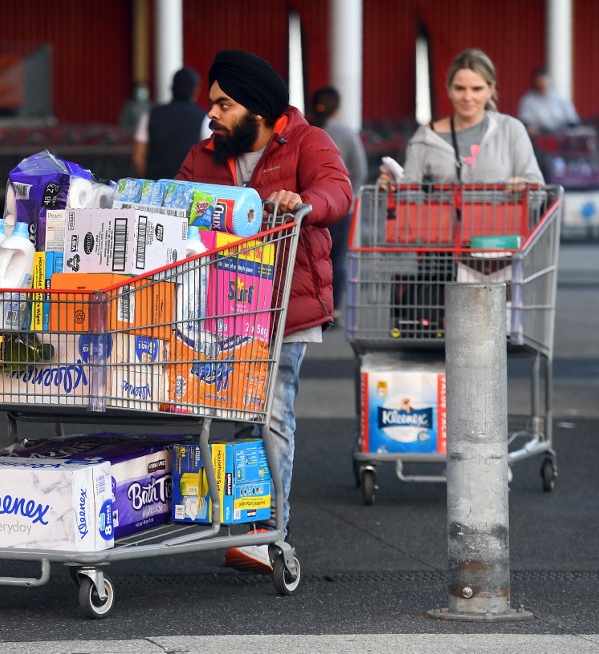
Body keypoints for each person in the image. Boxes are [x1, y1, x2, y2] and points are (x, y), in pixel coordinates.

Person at [176, 50, 352, 572]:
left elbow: (336, 190)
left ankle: (269, 528)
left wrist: (305, 202)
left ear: (255, 108)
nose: (212, 113)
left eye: (223, 103)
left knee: (271, 413)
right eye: (211, 102)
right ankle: (246, 520)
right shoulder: (204, 155)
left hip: (285, 309)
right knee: (232, 412)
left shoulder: (306, 141)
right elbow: (172, 206)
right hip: (216, 312)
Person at [380, 49, 544, 186]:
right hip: (440, 225)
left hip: (501, 224)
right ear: (449, 89)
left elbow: (537, 188)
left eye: (476, 89)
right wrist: (392, 186)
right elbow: (409, 198)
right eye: (460, 88)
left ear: (490, 89)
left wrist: (524, 186)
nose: (467, 97)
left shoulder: (511, 130)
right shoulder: (424, 138)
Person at [307, 86, 367, 320]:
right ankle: (335, 308)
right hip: (342, 208)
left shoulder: (306, 130)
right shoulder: (346, 133)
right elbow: (360, 169)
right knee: (338, 258)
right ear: (337, 107)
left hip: (309, 208)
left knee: (311, 258)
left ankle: (313, 306)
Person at [132, 67, 212, 179]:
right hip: (187, 191)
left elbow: (138, 157)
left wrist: (149, 183)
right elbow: (209, 161)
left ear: (171, 88)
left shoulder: (150, 115)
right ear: (196, 90)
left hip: (155, 189)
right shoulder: (204, 119)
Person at [518, 66, 580, 134]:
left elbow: (573, 120)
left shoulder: (561, 98)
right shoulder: (528, 101)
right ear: (535, 82)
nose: (542, 83)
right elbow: (525, 121)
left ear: (549, 80)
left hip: (561, 136)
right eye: (539, 80)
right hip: (538, 137)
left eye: (544, 79)